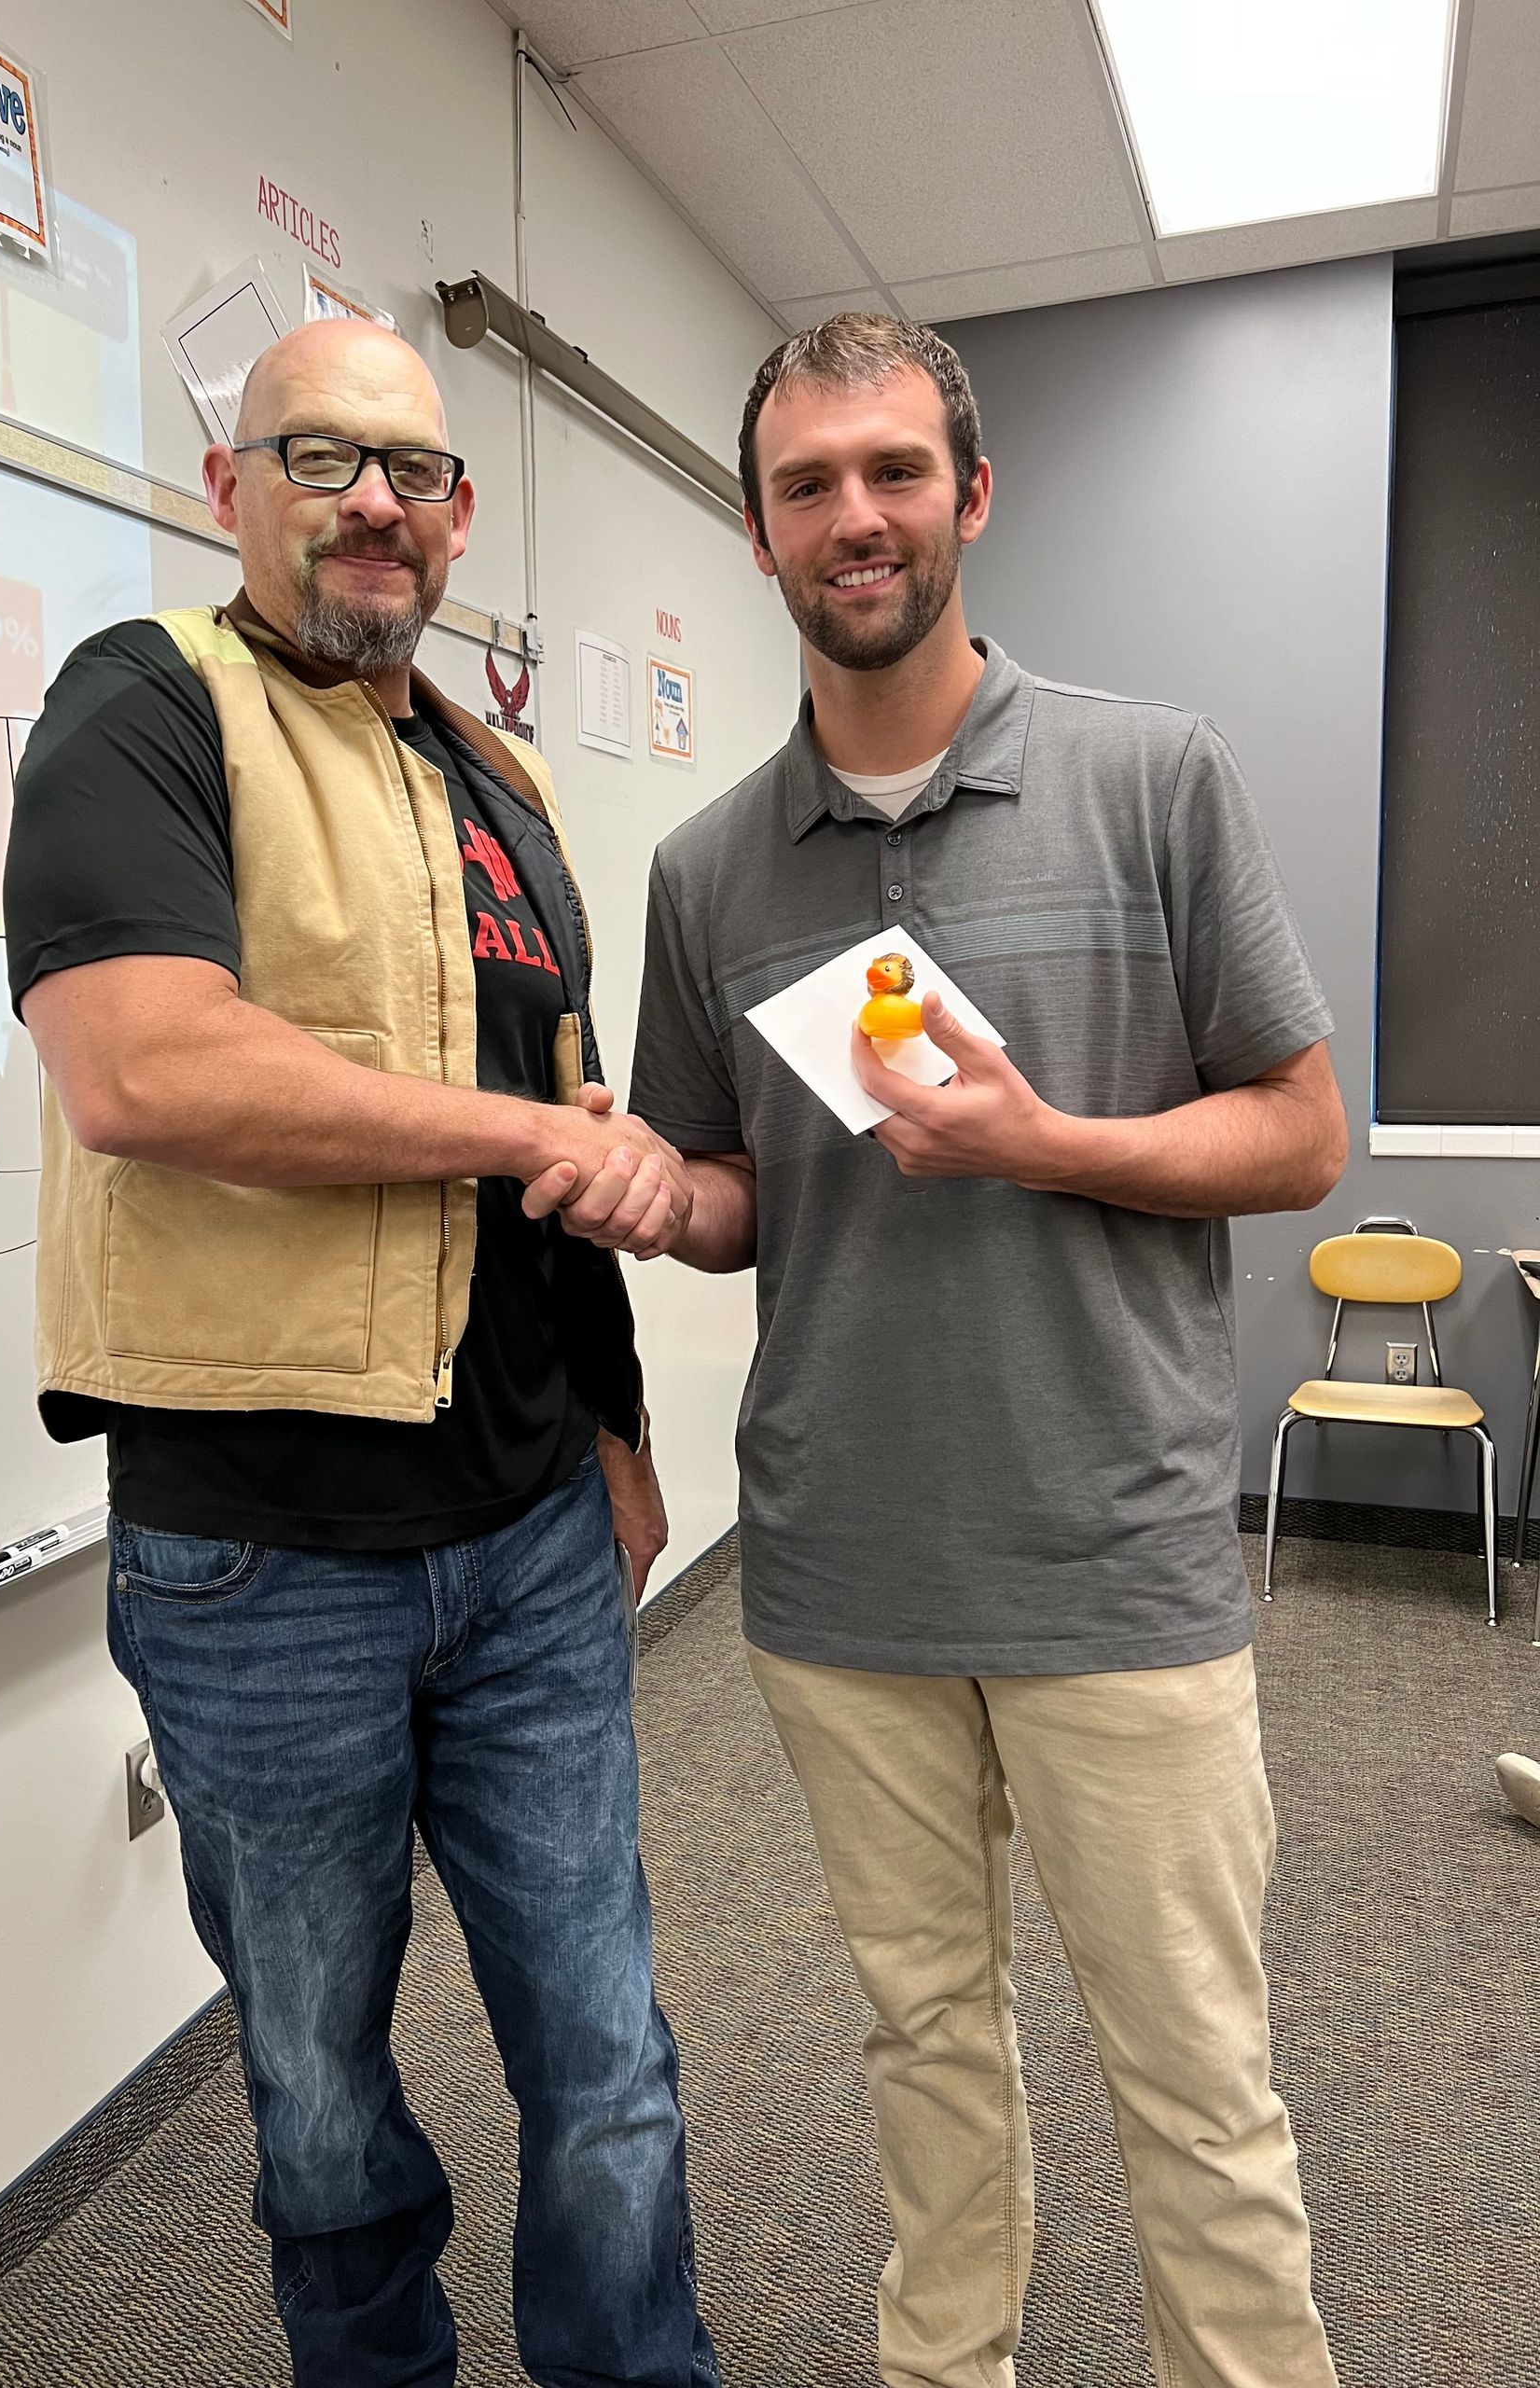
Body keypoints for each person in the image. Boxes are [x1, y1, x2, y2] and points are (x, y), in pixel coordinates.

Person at [527, 314, 1350, 2388]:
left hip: (1115, 1557)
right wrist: (655, 1193)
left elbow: (1301, 1132)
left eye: (894, 470)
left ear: (972, 496)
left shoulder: (1152, 777)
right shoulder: (708, 866)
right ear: (758, 529)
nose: (855, 515)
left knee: (1196, 2076)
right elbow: (735, 1190)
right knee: (926, 2052)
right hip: (843, 1578)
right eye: (808, 484)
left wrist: (1042, 1138)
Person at [3, 317, 716, 2388]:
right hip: (263, 1568)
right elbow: (144, 1065)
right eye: (321, 458)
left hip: (530, 1543)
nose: (375, 501)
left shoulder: (497, 787)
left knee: (609, 2057)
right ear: (234, 486)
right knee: (322, 2103)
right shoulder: (143, 704)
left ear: (458, 518)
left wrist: (616, 1423)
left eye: (412, 469)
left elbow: (558, 1116)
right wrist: (524, 1136)